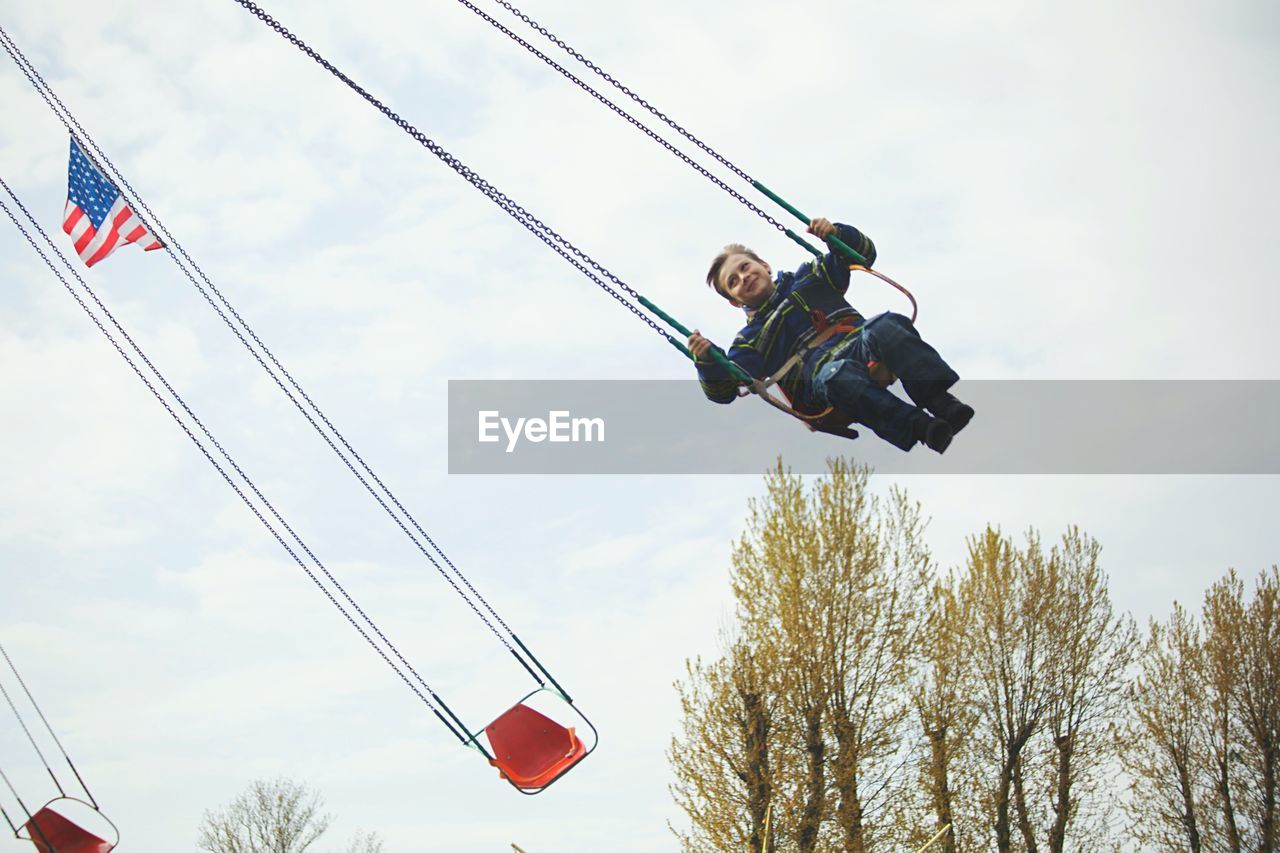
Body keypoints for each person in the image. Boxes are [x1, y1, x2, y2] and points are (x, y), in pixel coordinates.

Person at [688, 218, 973, 453]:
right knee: (838, 373)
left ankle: (940, 401)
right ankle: (922, 428)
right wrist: (707, 362)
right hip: (820, 383)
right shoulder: (749, 341)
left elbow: (863, 255)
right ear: (735, 302)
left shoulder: (810, 276)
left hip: (861, 345)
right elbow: (725, 391)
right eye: (734, 282)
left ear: (764, 265)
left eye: (745, 267)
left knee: (885, 325)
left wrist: (836, 234)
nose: (744, 277)